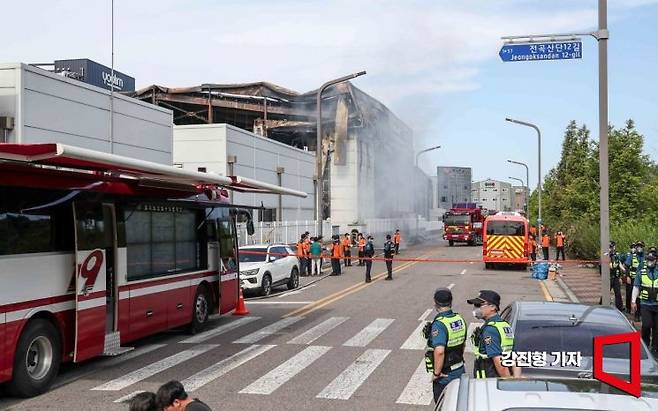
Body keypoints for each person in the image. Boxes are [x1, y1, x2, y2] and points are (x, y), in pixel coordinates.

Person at [423, 288, 466, 403]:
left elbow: (439, 351)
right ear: (451, 302)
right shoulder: (459, 319)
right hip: (460, 368)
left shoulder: (440, 324)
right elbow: (463, 344)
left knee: (444, 405)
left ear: (435, 303)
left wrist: (437, 373)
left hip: (446, 374)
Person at [467, 290, 521, 379]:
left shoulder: (490, 330)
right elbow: (515, 356)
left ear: (492, 307)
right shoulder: (504, 326)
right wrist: (516, 379)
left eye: (478, 305)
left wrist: (508, 383)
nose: (475, 309)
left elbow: (499, 362)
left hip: (489, 382)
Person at [632, 252, 658, 355]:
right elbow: (636, 287)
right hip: (645, 304)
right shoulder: (641, 273)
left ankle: (655, 348)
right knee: (646, 325)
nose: (649, 262)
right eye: (648, 259)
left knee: (656, 328)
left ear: (656, 261)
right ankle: (645, 345)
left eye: (651, 260)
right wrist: (633, 301)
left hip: (657, 305)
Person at [625, 241, 645, 321]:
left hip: (643, 280)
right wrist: (628, 277)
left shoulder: (645, 257)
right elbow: (627, 266)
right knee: (631, 295)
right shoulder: (632, 256)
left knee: (640, 297)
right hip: (633, 279)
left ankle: (639, 314)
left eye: (641, 246)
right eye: (638, 246)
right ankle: (631, 310)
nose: (639, 247)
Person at [608, 241, 624, 311]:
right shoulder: (606, 255)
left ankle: (619, 308)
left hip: (616, 277)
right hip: (609, 277)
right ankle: (601, 305)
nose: (611, 249)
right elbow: (610, 266)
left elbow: (619, 263)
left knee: (618, 293)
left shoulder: (616, 255)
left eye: (612, 247)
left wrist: (623, 270)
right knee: (606, 292)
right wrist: (612, 265)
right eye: (610, 247)